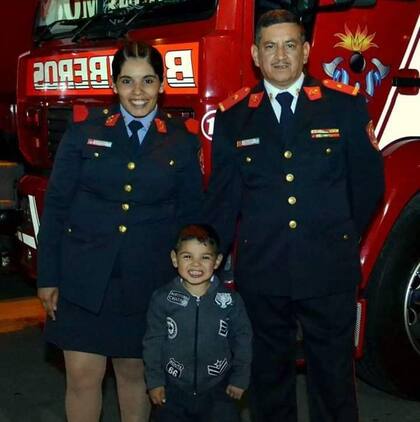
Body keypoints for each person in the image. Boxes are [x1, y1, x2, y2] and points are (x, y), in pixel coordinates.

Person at [204, 9, 385, 422]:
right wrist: (207, 258)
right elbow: (224, 198)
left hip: (328, 267)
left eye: (289, 45)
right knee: (268, 380)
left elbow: (368, 186)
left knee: (334, 379)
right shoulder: (234, 117)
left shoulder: (344, 106)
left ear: (306, 51)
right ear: (255, 54)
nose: (280, 56)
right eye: (270, 47)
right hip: (263, 269)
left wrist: (337, 235)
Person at [37, 41, 203, 422]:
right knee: (82, 377)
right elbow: (57, 207)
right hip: (83, 277)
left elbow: (191, 218)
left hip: (146, 281)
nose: (138, 92)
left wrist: (192, 283)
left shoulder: (180, 140)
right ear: (114, 85)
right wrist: (49, 276)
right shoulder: (83, 135)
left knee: (134, 376)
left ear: (162, 84)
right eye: (128, 81)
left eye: (147, 81)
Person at [143, 224, 252, 422]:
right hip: (173, 387)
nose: (195, 264)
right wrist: (155, 381)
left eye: (205, 257)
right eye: (187, 256)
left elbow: (243, 341)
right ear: (175, 259)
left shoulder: (230, 301)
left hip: (219, 387)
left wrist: (240, 378)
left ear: (217, 261)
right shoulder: (162, 298)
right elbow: (152, 343)